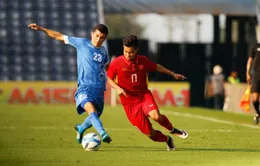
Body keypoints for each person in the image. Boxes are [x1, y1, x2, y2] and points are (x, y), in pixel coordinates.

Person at [28, 23, 112, 143]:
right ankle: (103, 133)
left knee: (94, 116)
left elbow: (106, 68)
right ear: (92, 34)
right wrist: (41, 29)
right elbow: (59, 36)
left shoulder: (103, 52)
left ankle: (80, 128)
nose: (98, 40)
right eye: (97, 36)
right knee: (91, 111)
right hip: (84, 88)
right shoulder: (82, 43)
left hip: (99, 90)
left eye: (102, 37)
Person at [106, 35, 188, 151]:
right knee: (151, 134)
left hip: (144, 96)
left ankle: (172, 129)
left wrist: (173, 74)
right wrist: (118, 88)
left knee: (156, 116)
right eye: (125, 51)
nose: (128, 55)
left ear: (137, 50)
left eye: (131, 52)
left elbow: (157, 67)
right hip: (129, 103)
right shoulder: (117, 63)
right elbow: (108, 79)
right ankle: (167, 139)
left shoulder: (143, 60)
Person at [246, 44, 260, 124]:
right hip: (256, 74)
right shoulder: (255, 46)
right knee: (255, 99)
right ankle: (258, 113)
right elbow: (249, 61)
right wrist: (247, 73)